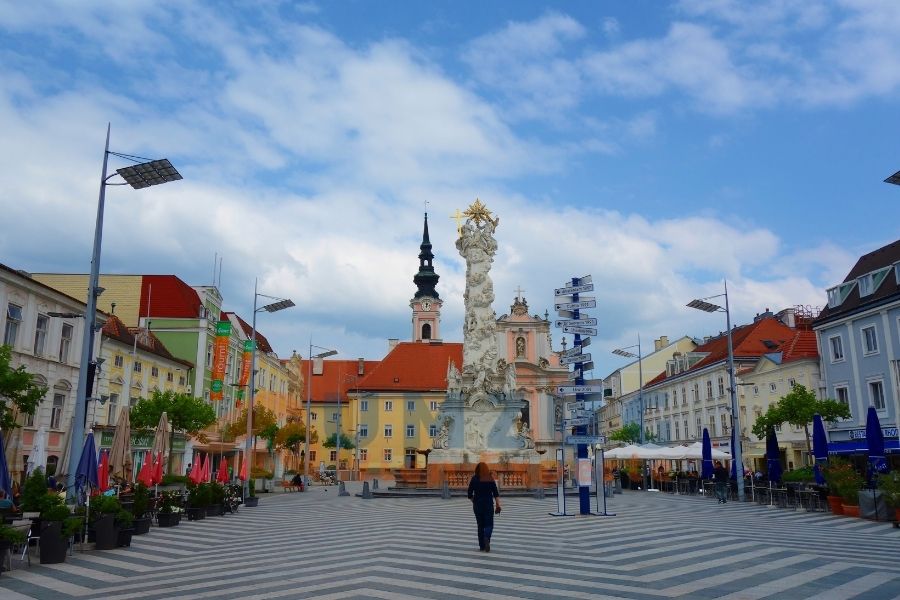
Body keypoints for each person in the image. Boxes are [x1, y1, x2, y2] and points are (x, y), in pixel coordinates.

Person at [467, 462, 501, 552]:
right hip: (488, 504)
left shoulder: (474, 479)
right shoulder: (490, 479)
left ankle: (482, 546)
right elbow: (495, 493)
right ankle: (487, 537)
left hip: (477, 505)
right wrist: (498, 504)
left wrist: (474, 501)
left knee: (480, 525)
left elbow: (469, 494)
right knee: (489, 524)